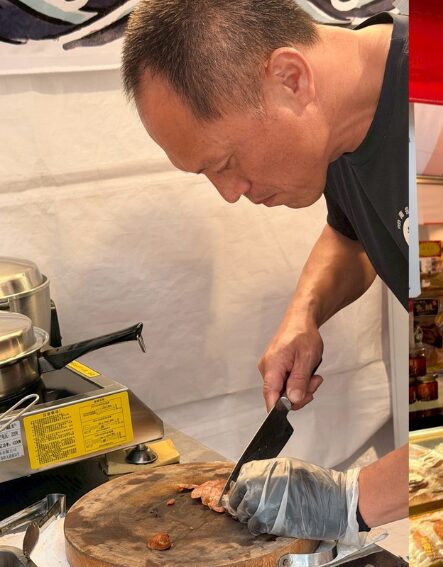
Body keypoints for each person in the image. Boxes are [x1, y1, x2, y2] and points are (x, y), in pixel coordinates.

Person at [121, 0, 408, 547]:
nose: (230, 194)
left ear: (290, 78)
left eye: (224, 163)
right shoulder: (341, 123)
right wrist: (305, 314)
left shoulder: (439, 106)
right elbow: (354, 239)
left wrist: (352, 499)